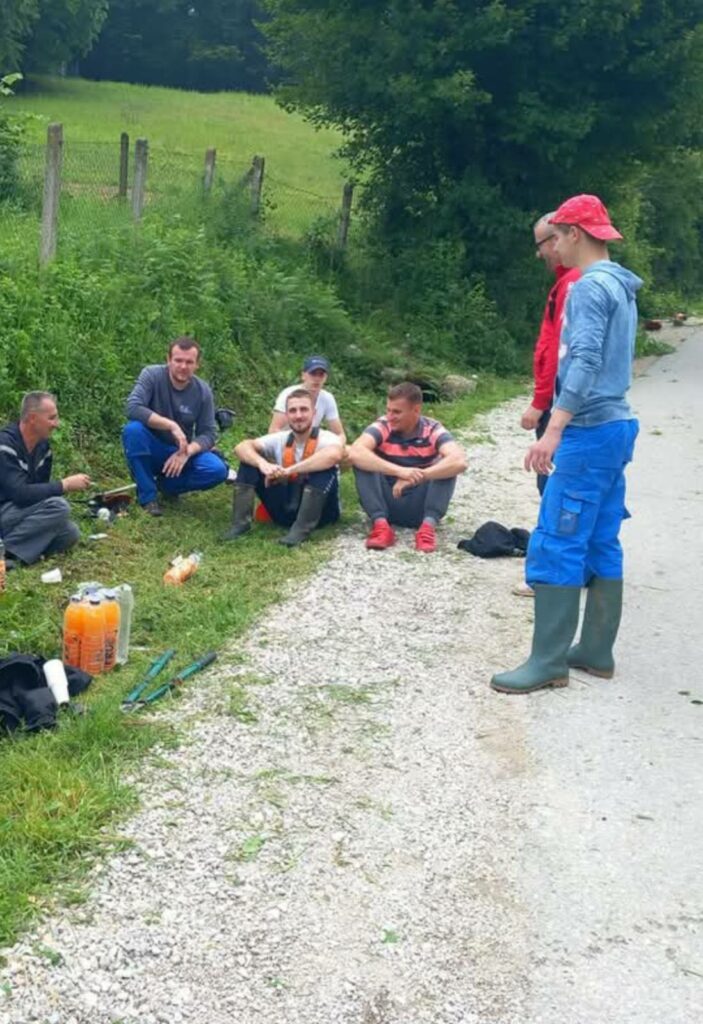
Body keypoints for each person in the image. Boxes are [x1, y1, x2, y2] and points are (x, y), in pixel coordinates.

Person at [491, 194, 641, 695]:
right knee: (600, 536)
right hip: (617, 425)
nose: (551, 246)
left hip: (589, 430)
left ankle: (548, 662)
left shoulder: (588, 286)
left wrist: (554, 429)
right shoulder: (620, 283)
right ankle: (595, 650)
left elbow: (584, 360)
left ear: (575, 233)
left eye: (555, 236)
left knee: (557, 538)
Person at [513, 213, 582, 598]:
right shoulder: (570, 281)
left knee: (553, 484)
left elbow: (558, 352)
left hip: (558, 402)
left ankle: (553, 573)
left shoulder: (572, 284)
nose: (539, 253)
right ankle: (575, 566)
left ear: (558, 239)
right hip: (567, 402)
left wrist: (540, 404)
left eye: (541, 244)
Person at [348, 382, 467, 553]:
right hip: (386, 500)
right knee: (362, 459)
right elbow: (355, 452)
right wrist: (400, 471)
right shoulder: (383, 425)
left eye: (397, 412)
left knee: (447, 465)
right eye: (388, 410)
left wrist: (418, 477)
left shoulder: (432, 429)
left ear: (416, 410)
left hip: (420, 505)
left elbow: (459, 461)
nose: (390, 416)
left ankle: (427, 528)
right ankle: (381, 526)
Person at [122, 337, 228, 516]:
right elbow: (132, 407)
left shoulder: (203, 391)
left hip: (180, 450)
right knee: (133, 430)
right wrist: (171, 425)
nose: (183, 366)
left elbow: (208, 433)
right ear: (168, 359)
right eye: (178, 360)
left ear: (197, 365)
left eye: (189, 362)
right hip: (151, 445)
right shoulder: (152, 375)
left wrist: (186, 452)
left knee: (217, 470)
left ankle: (167, 486)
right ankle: (147, 497)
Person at [224, 388, 343, 546]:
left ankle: (301, 530)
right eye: (293, 411)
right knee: (249, 462)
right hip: (286, 506)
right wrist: (264, 465)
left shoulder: (328, 438)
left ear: (314, 413)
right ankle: (240, 524)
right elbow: (241, 447)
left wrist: (289, 471)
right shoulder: (279, 438)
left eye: (304, 409)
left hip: (323, 513)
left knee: (324, 470)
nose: (298, 415)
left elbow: (334, 455)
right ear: (286, 415)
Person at [0, 392, 90, 567]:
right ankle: (6, 553)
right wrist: (64, 485)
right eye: (51, 418)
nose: (56, 424)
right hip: (5, 509)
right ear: (33, 418)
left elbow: (38, 493)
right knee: (59, 506)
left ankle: (14, 558)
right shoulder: (5, 446)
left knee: (69, 532)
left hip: (18, 514)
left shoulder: (44, 448)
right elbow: (19, 494)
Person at [269, 355, 346, 442]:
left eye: (321, 375)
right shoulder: (288, 394)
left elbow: (340, 434)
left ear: (326, 378)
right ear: (303, 375)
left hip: (311, 443)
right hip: (285, 442)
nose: (317, 379)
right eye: (313, 374)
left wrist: (338, 446)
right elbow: (273, 430)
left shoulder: (328, 398)